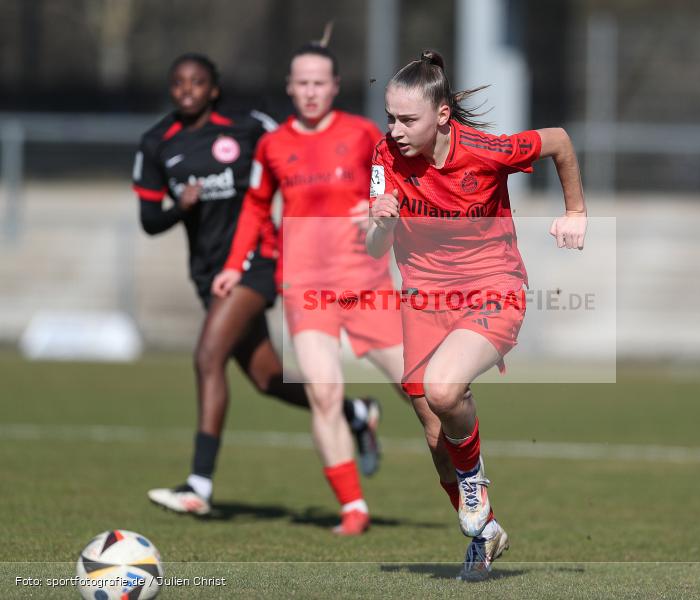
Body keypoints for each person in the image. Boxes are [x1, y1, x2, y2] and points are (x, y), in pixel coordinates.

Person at [367, 50, 587, 580]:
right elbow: (374, 248)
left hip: (494, 288)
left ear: (442, 115)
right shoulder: (383, 157)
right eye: (390, 118)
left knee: (445, 391)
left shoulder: (487, 150)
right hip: (423, 299)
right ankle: (483, 531)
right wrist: (377, 220)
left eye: (407, 119)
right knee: (434, 433)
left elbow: (556, 139)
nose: (395, 130)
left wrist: (576, 212)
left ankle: (475, 485)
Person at [133, 53, 381, 517]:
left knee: (208, 355)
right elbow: (149, 219)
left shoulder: (248, 126)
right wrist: (179, 208)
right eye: (179, 83)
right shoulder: (156, 143)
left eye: (198, 82)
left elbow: (297, 142)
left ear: (214, 88)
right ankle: (356, 414)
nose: (187, 90)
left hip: (256, 261)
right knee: (267, 378)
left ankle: (198, 486)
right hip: (210, 272)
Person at [212, 40, 412, 536]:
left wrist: (377, 206)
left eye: (319, 82)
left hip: (367, 284)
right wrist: (236, 264)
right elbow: (257, 207)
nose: (310, 91)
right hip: (308, 288)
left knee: (422, 388)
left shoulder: (365, 134)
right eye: (301, 83)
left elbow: (400, 183)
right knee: (324, 395)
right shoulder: (273, 144)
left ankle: (466, 476)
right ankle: (354, 509)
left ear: (335, 86)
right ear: (289, 87)